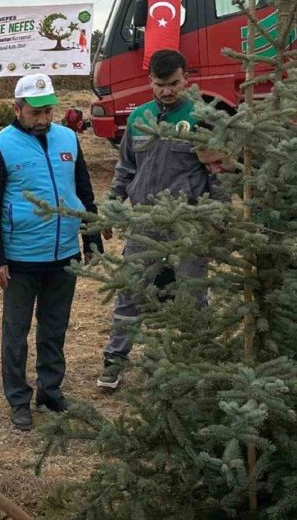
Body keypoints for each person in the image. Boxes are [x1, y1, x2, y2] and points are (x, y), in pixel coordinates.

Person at [0, 73, 103, 431]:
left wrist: (91, 237)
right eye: (35, 113)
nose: (43, 119)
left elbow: (82, 189)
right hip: (20, 259)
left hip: (63, 254)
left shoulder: (68, 139)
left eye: (48, 111)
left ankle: (50, 391)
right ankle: (18, 399)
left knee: (54, 329)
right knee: (15, 334)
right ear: (17, 109)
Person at [97, 49, 222, 390]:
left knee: (192, 294)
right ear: (149, 81)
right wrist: (112, 204)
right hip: (144, 222)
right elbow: (125, 168)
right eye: (159, 84)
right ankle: (114, 361)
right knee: (131, 291)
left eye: (173, 84)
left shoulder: (201, 119)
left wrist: (216, 218)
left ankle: (193, 360)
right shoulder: (139, 118)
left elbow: (217, 175)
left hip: (188, 224)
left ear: (187, 79)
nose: (167, 91)